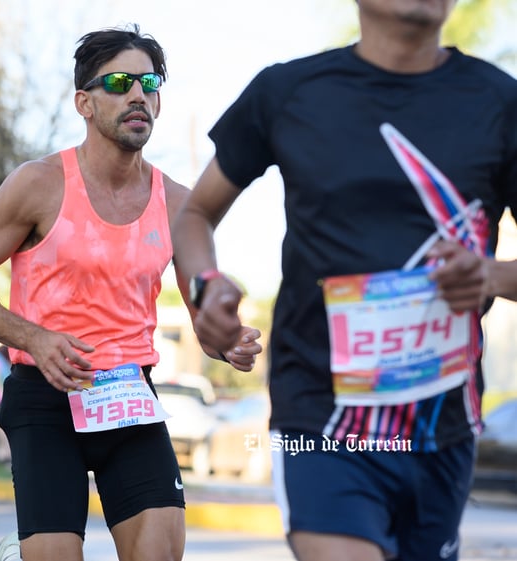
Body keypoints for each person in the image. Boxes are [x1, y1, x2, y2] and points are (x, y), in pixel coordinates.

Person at [172, 2, 517, 560]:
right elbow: (193, 214)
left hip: (443, 426)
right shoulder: (289, 92)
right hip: (322, 416)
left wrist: (492, 275)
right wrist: (204, 284)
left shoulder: (500, 103)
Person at [0, 24, 262, 561]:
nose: (138, 94)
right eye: (119, 82)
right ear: (84, 103)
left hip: (129, 397)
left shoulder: (178, 203)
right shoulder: (38, 184)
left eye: (149, 82)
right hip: (45, 398)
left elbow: (201, 313)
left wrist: (225, 340)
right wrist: (36, 339)